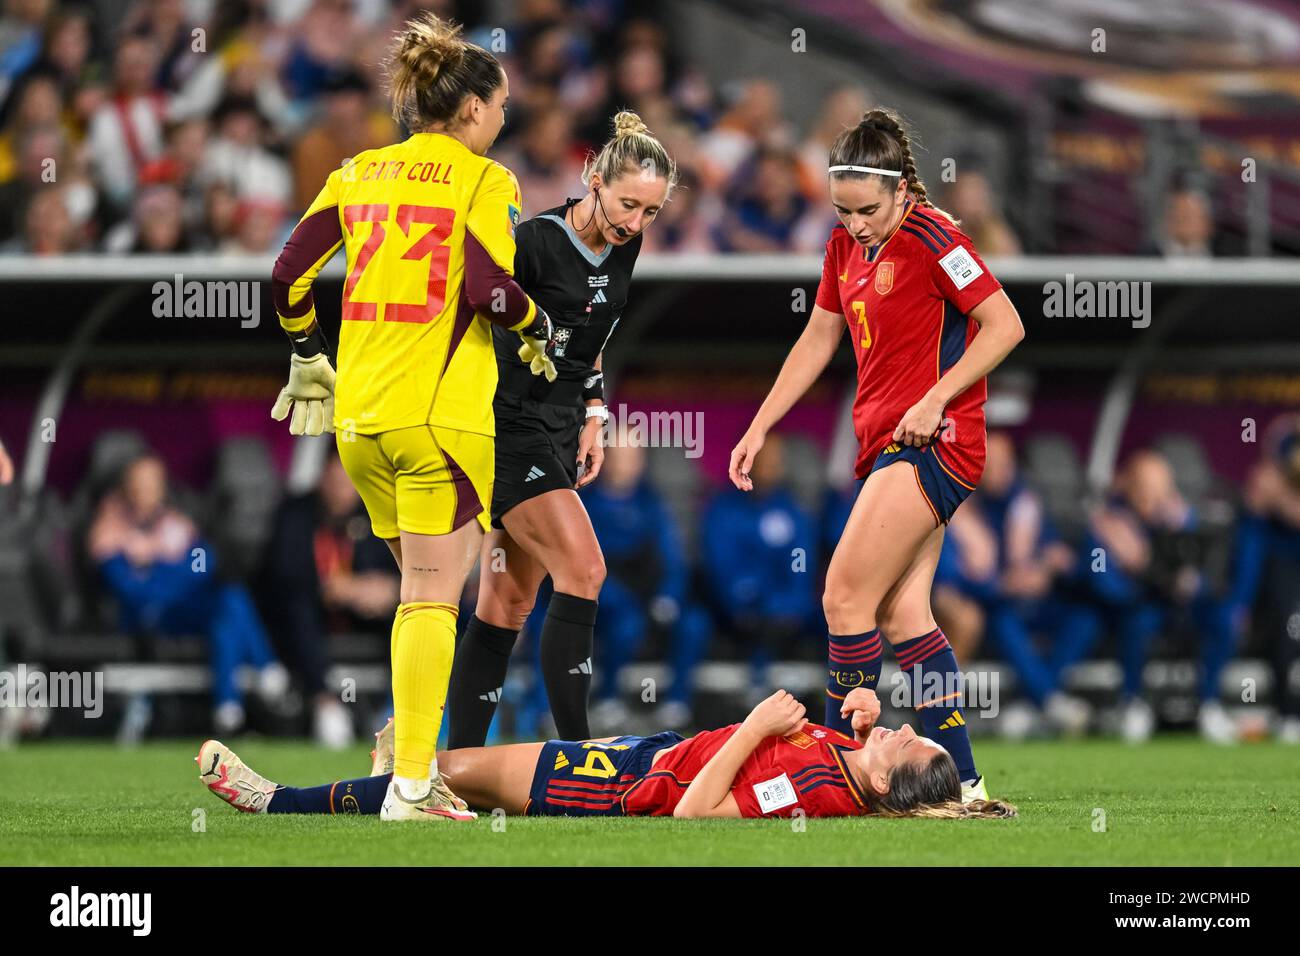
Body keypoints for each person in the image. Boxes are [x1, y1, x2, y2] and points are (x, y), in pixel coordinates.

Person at [268, 12, 554, 822]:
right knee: (432, 597)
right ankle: (415, 785)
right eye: (499, 106)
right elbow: (487, 290)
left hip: (358, 423)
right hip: (440, 418)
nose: (503, 120)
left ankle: (408, 745)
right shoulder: (483, 181)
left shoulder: (358, 171)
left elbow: (288, 275)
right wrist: (536, 327)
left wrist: (306, 353)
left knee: (417, 593)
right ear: (470, 112)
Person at [728, 107, 1025, 803]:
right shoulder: (842, 247)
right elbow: (816, 340)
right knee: (905, 619)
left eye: (867, 209)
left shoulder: (935, 235)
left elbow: (1004, 323)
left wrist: (937, 398)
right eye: (842, 210)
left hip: (933, 442)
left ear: (901, 191)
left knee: (842, 596)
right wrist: (760, 424)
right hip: (887, 445)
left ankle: (836, 781)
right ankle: (965, 786)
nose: (856, 224)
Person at [445, 112, 675, 749]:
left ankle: (455, 764)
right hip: (509, 426)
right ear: (593, 180)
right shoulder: (534, 242)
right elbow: (474, 313)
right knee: (586, 569)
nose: (635, 223)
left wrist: (595, 416)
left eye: (651, 212)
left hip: (560, 426)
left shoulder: (626, 245)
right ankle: (579, 753)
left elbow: (591, 338)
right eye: (628, 203)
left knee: (505, 607)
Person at [197, 688, 1016, 819]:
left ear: (885, 780)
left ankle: (275, 799)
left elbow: (699, 816)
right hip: (646, 751)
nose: (896, 727)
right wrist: (852, 714)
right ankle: (400, 791)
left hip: (628, 788)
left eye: (899, 741)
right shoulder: (847, 758)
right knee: (437, 771)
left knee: (435, 771)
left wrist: (755, 728)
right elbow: (831, 742)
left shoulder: (812, 788)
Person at [88, 452, 285, 735]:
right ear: (126, 487)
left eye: (152, 482)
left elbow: (205, 563)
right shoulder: (110, 529)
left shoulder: (173, 524)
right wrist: (174, 565)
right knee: (228, 605)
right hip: (148, 619)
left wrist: (156, 562)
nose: (146, 490)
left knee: (229, 602)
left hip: (186, 608)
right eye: (139, 483)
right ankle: (263, 670)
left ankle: (229, 706)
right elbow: (133, 591)